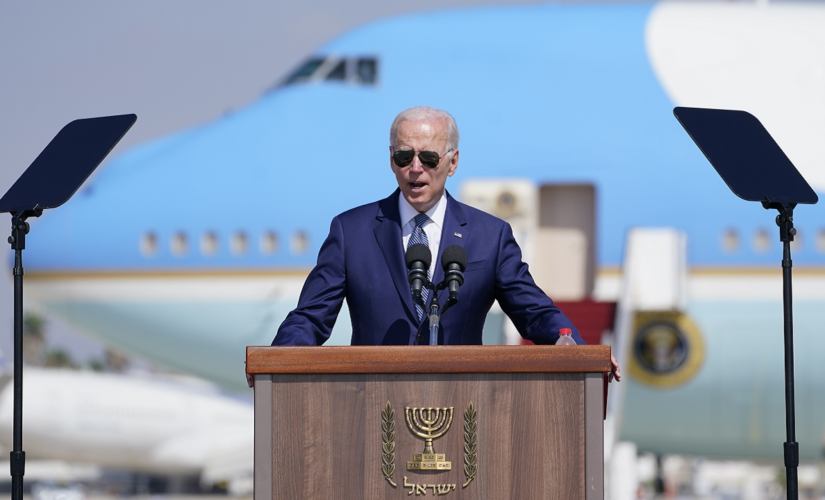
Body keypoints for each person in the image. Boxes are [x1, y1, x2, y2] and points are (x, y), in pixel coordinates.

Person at [269, 106, 620, 379]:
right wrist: (275, 362)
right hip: (372, 405)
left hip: (463, 407)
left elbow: (534, 311)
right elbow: (311, 318)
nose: (415, 168)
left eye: (429, 158)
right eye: (404, 157)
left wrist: (580, 350)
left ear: (452, 163)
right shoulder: (351, 231)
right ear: (391, 160)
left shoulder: (490, 235)